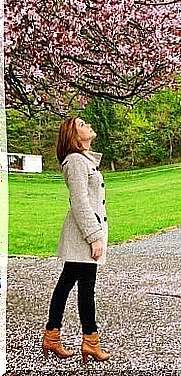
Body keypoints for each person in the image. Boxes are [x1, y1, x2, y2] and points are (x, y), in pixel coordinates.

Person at [42, 116, 110, 364]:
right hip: (83, 236)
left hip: (83, 235)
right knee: (85, 288)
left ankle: (52, 336)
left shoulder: (83, 160)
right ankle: (90, 341)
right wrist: (94, 237)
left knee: (68, 285)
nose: (88, 125)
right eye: (82, 124)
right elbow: (80, 203)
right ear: (72, 135)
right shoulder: (75, 162)